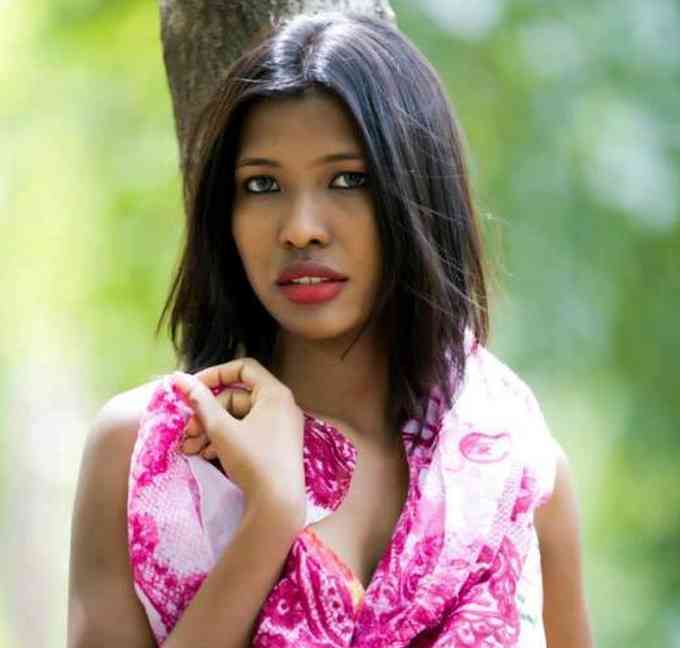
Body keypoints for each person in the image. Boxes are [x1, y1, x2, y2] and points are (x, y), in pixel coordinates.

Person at [67, 12, 592, 648]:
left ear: (416, 194)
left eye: (348, 180)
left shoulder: (520, 475)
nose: (300, 229)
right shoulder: (149, 456)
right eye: (262, 185)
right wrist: (270, 518)